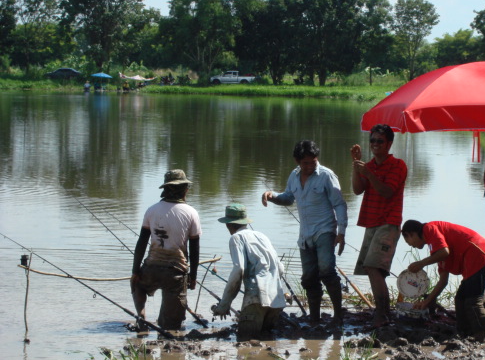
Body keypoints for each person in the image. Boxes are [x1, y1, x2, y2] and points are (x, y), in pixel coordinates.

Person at [262, 140, 347, 327]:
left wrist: (341, 232)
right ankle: (314, 318)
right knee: (309, 277)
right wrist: (272, 195)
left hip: (325, 230)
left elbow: (339, 204)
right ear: (297, 161)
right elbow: (288, 198)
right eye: (305, 163)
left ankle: (338, 316)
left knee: (326, 271)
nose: (309, 166)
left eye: (313, 162)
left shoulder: (326, 176)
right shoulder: (294, 176)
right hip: (305, 236)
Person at [351, 124, 407, 326]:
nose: (375, 144)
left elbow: (387, 191)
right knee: (373, 269)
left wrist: (368, 172)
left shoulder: (398, 165)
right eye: (372, 140)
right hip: (371, 222)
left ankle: (383, 314)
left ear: (389, 144)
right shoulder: (369, 165)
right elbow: (357, 190)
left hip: (389, 223)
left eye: (379, 141)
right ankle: (382, 312)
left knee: (373, 267)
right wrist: (356, 165)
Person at [130, 169, 201, 330]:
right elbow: (194, 248)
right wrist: (193, 277)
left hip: (151, 268)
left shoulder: (152, 210)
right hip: (175, 273)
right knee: (171, 326)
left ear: (165, 189)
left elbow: (142, 242)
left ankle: (141, 316)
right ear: (184, 190)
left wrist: (135, 271)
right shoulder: (191, 213)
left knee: (138, 285)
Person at [401, 220, 485, 340]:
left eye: (408, 241)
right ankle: (465, 333)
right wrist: (426, 302)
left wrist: (422, 263)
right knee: (460, 299)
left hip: (478, 254)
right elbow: (443, 281)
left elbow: (444, 252)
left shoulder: (429, 229)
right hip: (472, 260)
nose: (411, 246)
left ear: (411, 234)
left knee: (472, 301)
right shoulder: (436, 249)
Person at [212, 203, 287, 340]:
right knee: (268, 343)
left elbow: (238, 270)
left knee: (245, 342)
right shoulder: (262, 236)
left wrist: (224, 305)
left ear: (229, 224)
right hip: (276, 300)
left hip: (255, 299)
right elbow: (280, 268)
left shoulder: (236, 238)